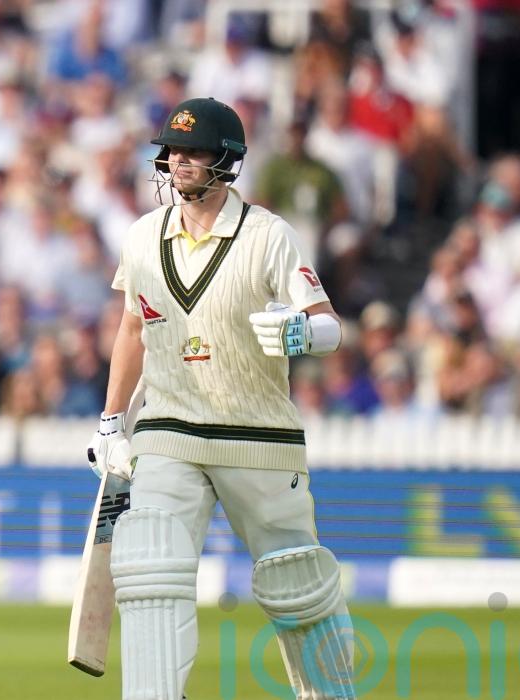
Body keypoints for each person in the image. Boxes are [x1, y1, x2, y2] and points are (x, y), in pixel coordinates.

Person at [86, 97, 356, 699]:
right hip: (169, 429)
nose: (178, 161)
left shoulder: (267, 235)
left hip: (257, 433)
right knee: (150, 564)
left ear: (226, 159)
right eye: (172, 151)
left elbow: (330, 325)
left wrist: (301, 332)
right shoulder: (142, 236)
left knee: (297, 583)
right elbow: (131, 327)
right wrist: (111, 420)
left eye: (194, 151)